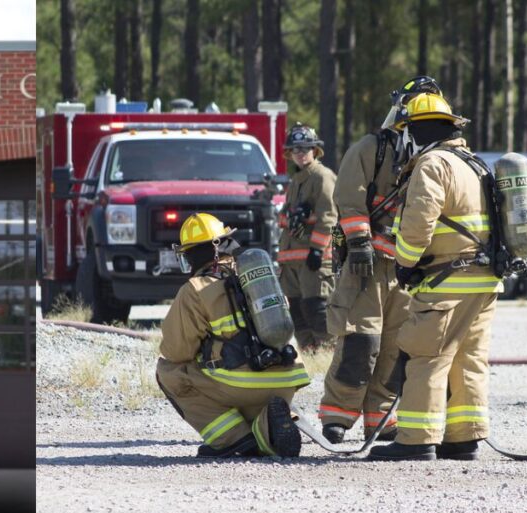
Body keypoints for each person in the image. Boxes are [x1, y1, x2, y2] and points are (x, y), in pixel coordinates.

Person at [367, 92, 501, 461]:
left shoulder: (433, 163)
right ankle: (463, 437)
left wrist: (405, 263)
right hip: (483, 278)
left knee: (427, 354)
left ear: (417, 130)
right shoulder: (473, 162)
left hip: (447, 279)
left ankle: (416, 439)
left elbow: (418, 222)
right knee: (468, 359)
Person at [319, 76, 442, 444]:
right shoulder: (372, 148)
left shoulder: (433, 159)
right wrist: (357, 243)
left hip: (407, 268)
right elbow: (349, 196)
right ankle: (338, 414)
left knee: (396, 346)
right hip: (367, 267)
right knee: (361, 342)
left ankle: (380, 419)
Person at [156, 213, 309, 458]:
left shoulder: (195, 289)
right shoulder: (260, 277)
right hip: (287, 380)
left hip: (240, 385)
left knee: (168, 371)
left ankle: (231, 439)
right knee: (253, 391)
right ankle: (270, 427)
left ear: (193, 254)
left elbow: (176, 351)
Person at [277, 123, 337, 351]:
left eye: (305, 148)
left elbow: (328, 217)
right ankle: (310, 353)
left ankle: (329, 353)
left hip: (313, 261)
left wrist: (317, 250)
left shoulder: (322, 177)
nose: (300, 153)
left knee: (316, 309)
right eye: (296, 149)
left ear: (315, 150)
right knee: (297, 311)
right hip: (291, 261)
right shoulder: (297, 180)